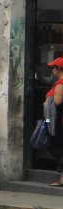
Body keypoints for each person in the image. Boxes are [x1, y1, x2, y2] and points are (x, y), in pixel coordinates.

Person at [44, 56, 63, 186]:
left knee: (53, 145)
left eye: (53, 68)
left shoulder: (60, 83)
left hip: (58, 121)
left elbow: (57, 101)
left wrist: (48, 101)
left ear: (59, 69)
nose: (52, 71)